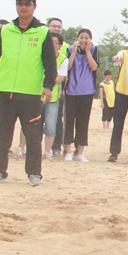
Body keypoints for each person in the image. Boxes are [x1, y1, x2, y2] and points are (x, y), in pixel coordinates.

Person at [0, 0, 56, 186]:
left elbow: (49, 62)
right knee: (2, 134)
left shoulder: (43, 32)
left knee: (33, 135)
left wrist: (48, 86)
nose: (23, 7)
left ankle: (34, 174)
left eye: (27, 3)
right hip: (5, 91)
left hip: (30, 92)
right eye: (20, 3)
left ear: (34, 6)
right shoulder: (6, 31)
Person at [63, 29, 98, 162]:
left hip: (87, 91)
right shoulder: (70, 49)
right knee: (69, 121)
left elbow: (94, 67)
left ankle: (80, 152)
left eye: (87, 38)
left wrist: (88, 51)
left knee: (83, 122)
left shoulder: (94, 50)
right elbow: (68, 66)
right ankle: (67, 151)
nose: (84, 40)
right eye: (81, 38)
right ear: (78, 39)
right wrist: (73, 52)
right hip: (71, 91)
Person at [42, 33, 68, 159]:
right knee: (30, 126)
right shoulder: (38, 56)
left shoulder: (63, 59)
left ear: (60, 45)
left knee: (51, 127)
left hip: (52, 98)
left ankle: (47, 152)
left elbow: (59, 79)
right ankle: (23, 149)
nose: (51, 44)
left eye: (55, 42)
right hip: (35, 96)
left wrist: (44, 78)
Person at [47, 18, 66, 158]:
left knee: (56, 121)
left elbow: (67, 71)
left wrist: (65, 89)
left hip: (58, 92)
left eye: (59, 26)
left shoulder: (66, 47)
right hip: (39, 92)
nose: (56, 28)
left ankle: (56, 147)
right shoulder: (42, 43)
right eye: (53, 26)